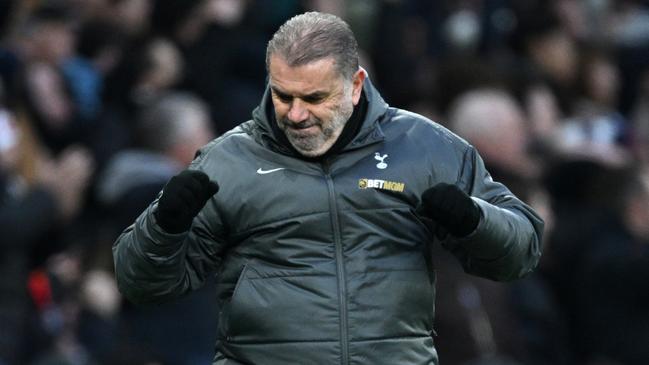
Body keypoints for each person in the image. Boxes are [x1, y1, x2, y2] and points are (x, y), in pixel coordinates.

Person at [113, 12, 544, 365]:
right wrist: (163, 227)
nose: (296, 114)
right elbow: (142, 285)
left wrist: (474, 220)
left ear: (356, 85)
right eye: (283, 96)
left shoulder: (427, 148)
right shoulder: (229, 162)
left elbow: (522, 249)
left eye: (315, 98)